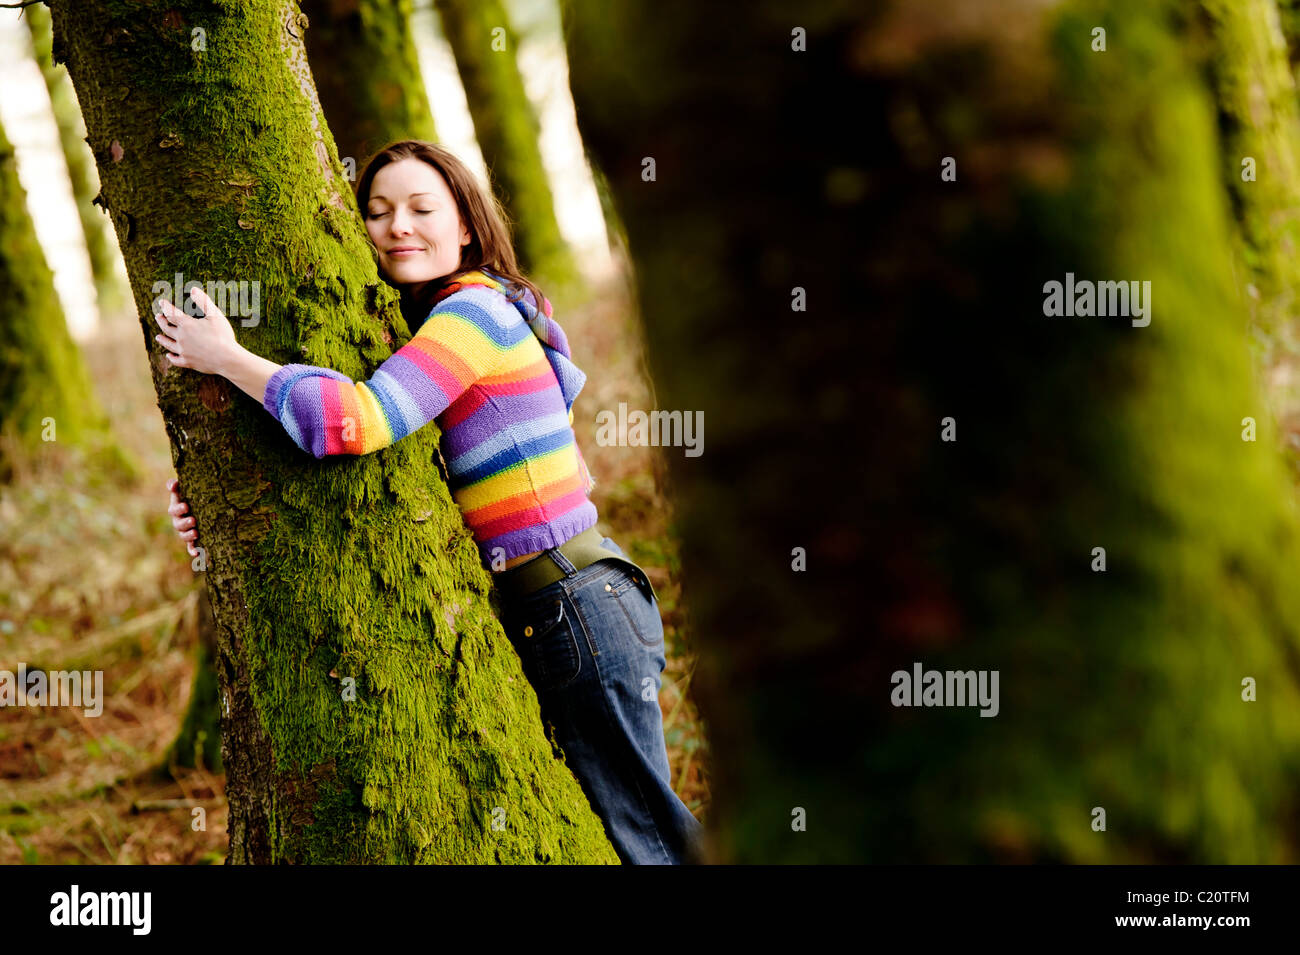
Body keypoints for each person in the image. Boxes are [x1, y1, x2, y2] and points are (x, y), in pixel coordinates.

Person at [158, 140, 703, 864]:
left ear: (468, 226)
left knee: (650, 841)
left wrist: (226, 357)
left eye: (422, 208)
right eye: (377, 211)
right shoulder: (452, 322)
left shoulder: (474, 313)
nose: (397, 227)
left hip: (577, 605)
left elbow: (356, 422)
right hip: (565, 606)